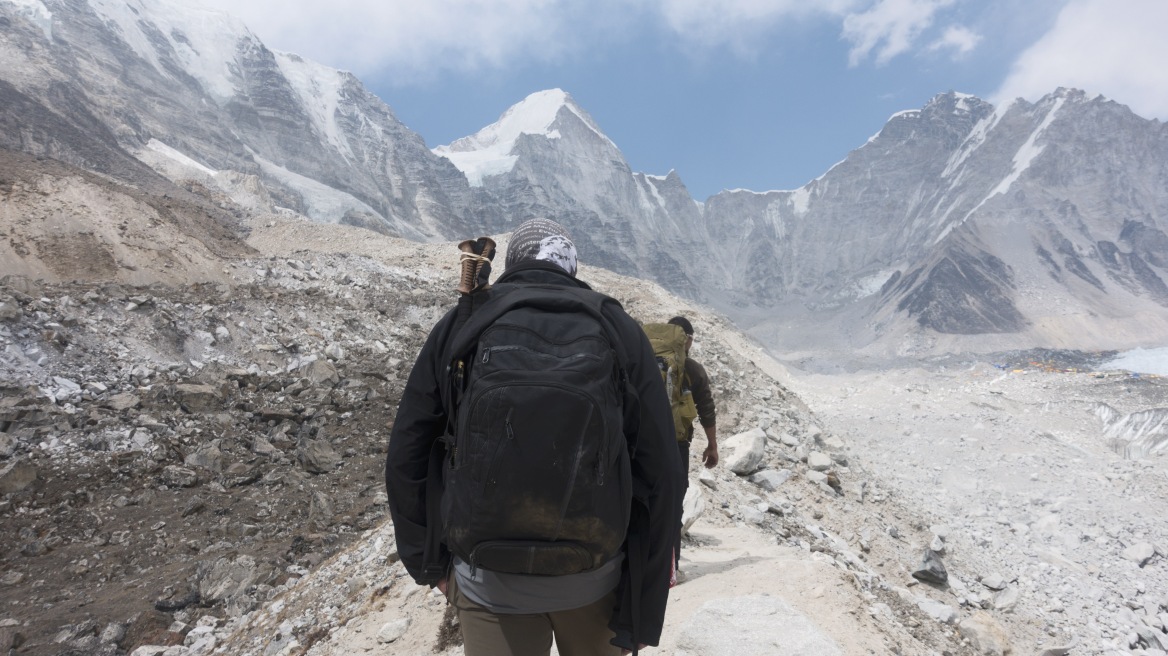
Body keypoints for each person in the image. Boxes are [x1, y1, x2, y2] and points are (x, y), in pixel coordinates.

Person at [385, 218, 682, 656]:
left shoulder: (467, 321)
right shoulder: (617, 327)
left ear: (510, 263)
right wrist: (645, 603)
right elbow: (662, 473)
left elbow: (408, 450)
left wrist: (430, 565)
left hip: (488, 584)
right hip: (595, 581)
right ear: (572, 267)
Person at [665, 315, 717, 582]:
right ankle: (670, 572)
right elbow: (706, 408)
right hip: (676, 445)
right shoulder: (692, 369)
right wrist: (712, 445)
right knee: (673, 506)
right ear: (688, 339)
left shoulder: (643, 358)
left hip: (639, 443)